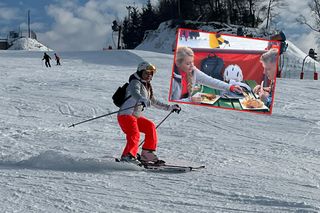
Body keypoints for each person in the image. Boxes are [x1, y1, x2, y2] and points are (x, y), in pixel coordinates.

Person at [117, 61, 181, 165]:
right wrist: (141, 99)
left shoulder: (147, 86)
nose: (149, 76)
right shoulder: (135, 82)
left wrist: (170, 108)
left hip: (135, 116)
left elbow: (154, 102)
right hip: (125, 115)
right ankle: (127, 156)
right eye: (146, 73)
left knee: (150, 127)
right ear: (140, 72)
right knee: (134, 133)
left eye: (151, 73)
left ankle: (147, 154)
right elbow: (135, 93)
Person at [170, 46, 243, 102]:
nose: (192, 65)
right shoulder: (173, 80)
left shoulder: (193, 71)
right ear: (178, 64)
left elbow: (210, 80)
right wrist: (190, 100)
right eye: (188, 63)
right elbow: (171, 104)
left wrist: (230, 87)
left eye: (192, 62)